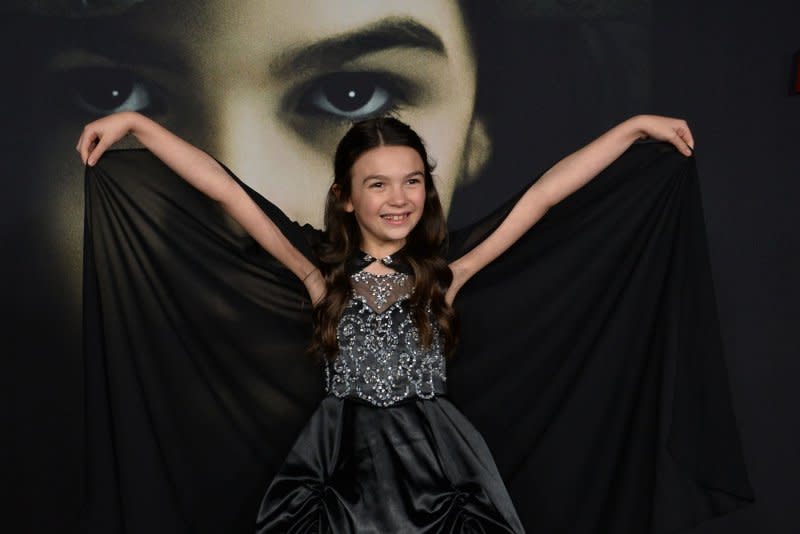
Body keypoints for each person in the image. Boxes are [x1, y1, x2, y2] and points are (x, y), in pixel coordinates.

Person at [77, 110, 694, 532]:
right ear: (346, 196)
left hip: (439, 463)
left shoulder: (449, 269)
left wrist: (631, 129)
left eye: (413, 181)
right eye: (378, 184)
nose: (399, 198)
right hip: (340, 464)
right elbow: (227, 191)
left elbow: (545, 196)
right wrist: (138, 126)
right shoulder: (317, 270)